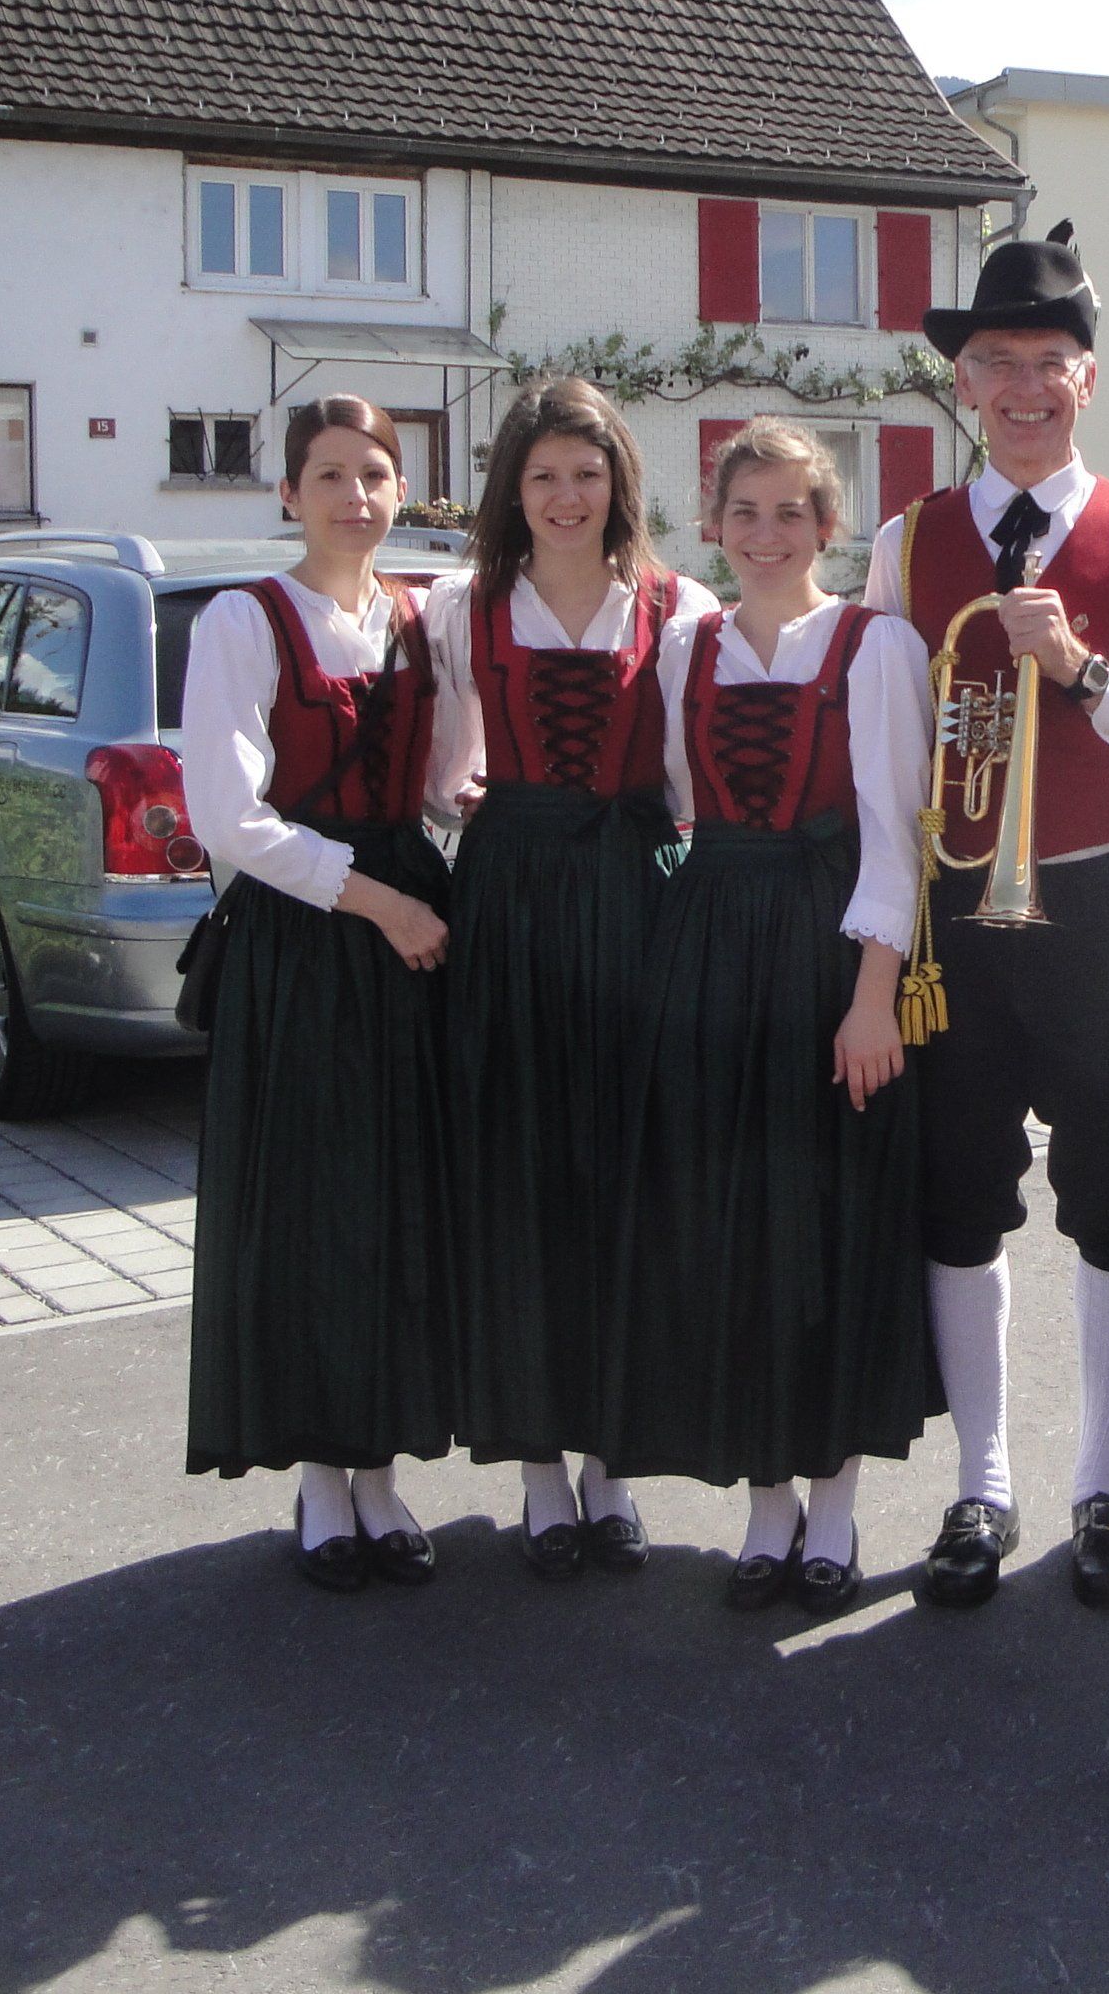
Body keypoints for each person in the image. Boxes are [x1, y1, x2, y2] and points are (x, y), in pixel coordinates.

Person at [867, 223, 1109, 1612]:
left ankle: (1100, 1482)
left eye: (1048, 363)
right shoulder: (906, 543)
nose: (1023, 388)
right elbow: (887, 761)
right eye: (996, 363)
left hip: (1098, 898)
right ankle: (983, 1481)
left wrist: (1085, 674)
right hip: (956, 911)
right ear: (964, 382)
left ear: (1089, 379)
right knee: (959, 1191)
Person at [598, 421, 933, 1618]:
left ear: (827, 527)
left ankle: (834, 1500)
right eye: (745, 511)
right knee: (732, 1227)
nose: (767, 532)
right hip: (710, 950)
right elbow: (676, 798)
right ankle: (768, 1500)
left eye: (792, 511)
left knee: (827, 1228)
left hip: (827, 947)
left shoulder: (876, 645)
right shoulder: (685, 645)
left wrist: (871, 999)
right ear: (714, 524)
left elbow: (896, 835)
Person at [426, 376, 718, 1582]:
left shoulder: (679, 607)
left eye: (586, 475)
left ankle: (610, 1461)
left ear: (618, 485)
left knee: (622, 1175)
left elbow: (692, 780)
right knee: (525, 1176)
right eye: (542, 475)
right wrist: (483, 806)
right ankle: (541, 1465)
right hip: (511, 903)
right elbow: (443, 773)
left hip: (633, 897)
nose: (564, 496)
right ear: (512, 488)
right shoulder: (461, 607)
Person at [179, 395, 460, 1591]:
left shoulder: (424, 617)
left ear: (402, 492)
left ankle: (380, 1473)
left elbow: (443, 782)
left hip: (408, 926)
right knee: (311, 1207)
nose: (356, 496)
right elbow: (227, 817)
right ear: (289, 494)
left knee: (397, 1203)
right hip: (308, 932)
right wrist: (383, 904)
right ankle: (320, 1480)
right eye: (331, 474)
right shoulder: (244, 620)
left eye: (376, 474)